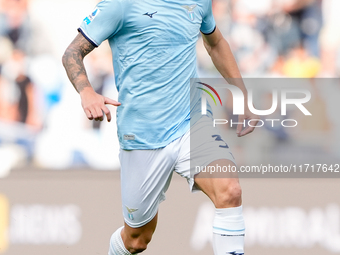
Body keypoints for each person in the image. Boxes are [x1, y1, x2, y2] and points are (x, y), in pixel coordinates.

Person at [62, 0, 258, 254]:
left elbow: (216, 42)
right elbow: (72, 53)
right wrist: (87, 91)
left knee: (230, 191)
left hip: (191, 121)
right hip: (143, 135)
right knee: (137, 239)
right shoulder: (120, 5)